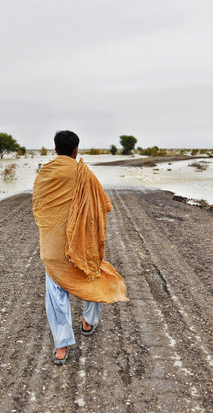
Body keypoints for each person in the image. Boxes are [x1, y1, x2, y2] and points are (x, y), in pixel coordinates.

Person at [32, 130, 128, 365]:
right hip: (81, 243)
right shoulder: (84, 173)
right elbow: (103, 205)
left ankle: (61, 346)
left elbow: (39, 206)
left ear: (55, 149)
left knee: (55, 293)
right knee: (92, 275)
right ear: (76, 150)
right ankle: (88, 322)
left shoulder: (44, 173)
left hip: (53, 245)